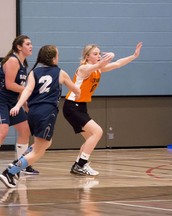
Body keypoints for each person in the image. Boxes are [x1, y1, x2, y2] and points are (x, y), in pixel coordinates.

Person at [0, 45, 81, 188]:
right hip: (46, 112)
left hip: (32, 112)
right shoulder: (60, 73)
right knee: (39, 151)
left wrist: (19, 105)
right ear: (54, 57)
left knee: (46, 143)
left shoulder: (34, 72)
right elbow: (76, 90)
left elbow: (27, 90)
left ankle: (17, 165)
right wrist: (78, 92)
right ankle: (11, 171)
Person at [63, 42, 142, 176]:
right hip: (72, 106)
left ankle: (78, 164)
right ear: (87, 57)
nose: (98, 55)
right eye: (95, 54)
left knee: (90, 138)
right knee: (97, 132)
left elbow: (117, 64)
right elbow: (99, 65)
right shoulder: (83, 69)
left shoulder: (98, 69)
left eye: (100, 53)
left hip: (80, 106)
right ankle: (81, 165)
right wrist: (108, 57)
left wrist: (133, 56)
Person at [0, 35, 39, 175]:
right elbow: (10, 85)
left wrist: (24, 103)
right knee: (3, 132)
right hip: (2, 100)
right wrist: (29, 90)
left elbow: (17, 89)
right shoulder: (12, 60)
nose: (31, 46)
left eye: (31, 43)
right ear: (19, 47)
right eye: (28, 44)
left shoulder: (24, 64)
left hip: (13, 101)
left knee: (25, 131)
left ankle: (22, 164)